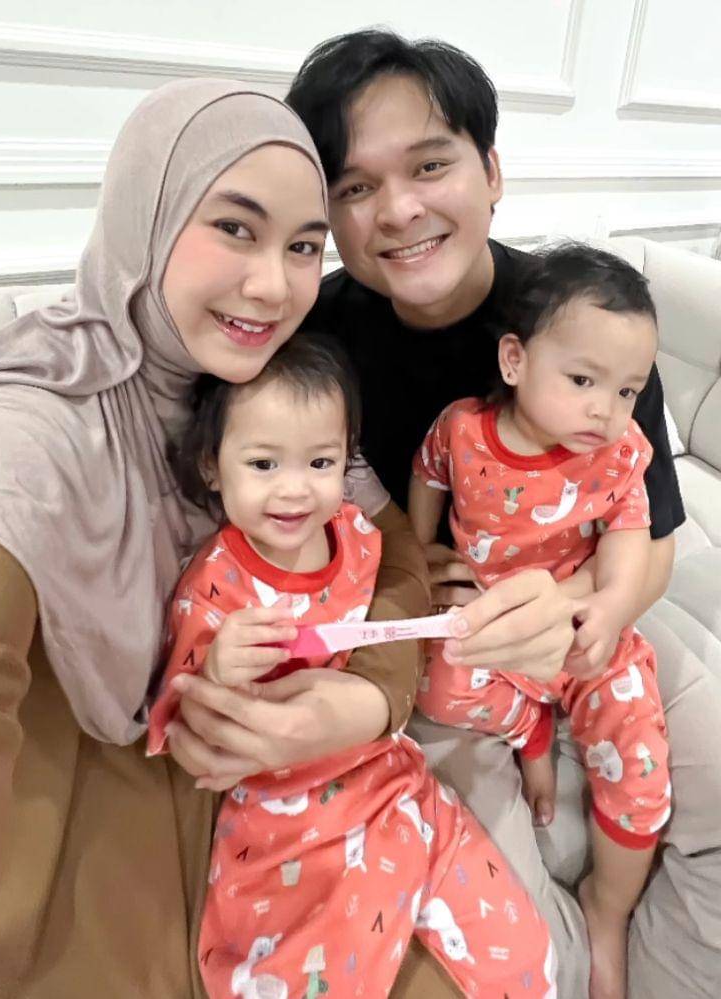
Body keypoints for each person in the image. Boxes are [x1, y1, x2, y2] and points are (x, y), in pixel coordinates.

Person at [0, 81, 438, 998]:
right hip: (93, 865)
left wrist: (367, 700)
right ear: (145, 219)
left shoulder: (270, 392)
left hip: (288, 820)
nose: (273, 286)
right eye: (234, 228)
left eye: (304, 246)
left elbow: (394, 550)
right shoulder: (27, 424)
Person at [287, 29, 721, 999]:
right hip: (440, 646)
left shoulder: (586, 320)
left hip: (588, 606)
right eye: (355, 186)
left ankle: (631, 945)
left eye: (428, 165)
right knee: (509, 932)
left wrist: (580, 606)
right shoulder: (314, 341)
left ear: (489, 171)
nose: (398, 210)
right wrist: (411, 562)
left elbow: (652, 541)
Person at [147, 334, 554, 999]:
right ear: (212, 467)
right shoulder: (214, 585)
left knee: (523, 951)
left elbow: (401, 603)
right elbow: (183, 716)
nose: (294, 489)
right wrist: (219, 671)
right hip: (285, 815)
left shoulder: (358, 536)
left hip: (394, 781)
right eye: (263, 463)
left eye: (320, 461)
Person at [409, 243, 671, 999]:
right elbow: (427, 474)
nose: (606, 409)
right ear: (515, 360)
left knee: (641, 760)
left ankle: (607, 910)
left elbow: (630, 529)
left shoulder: (620, 451)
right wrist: (422, 552)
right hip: (490, 626)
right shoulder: (464, 430)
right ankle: (527, 727)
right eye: (583, 380)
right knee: (437, 689)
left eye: (627, 389)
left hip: (581, 630)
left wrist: (609, 608)